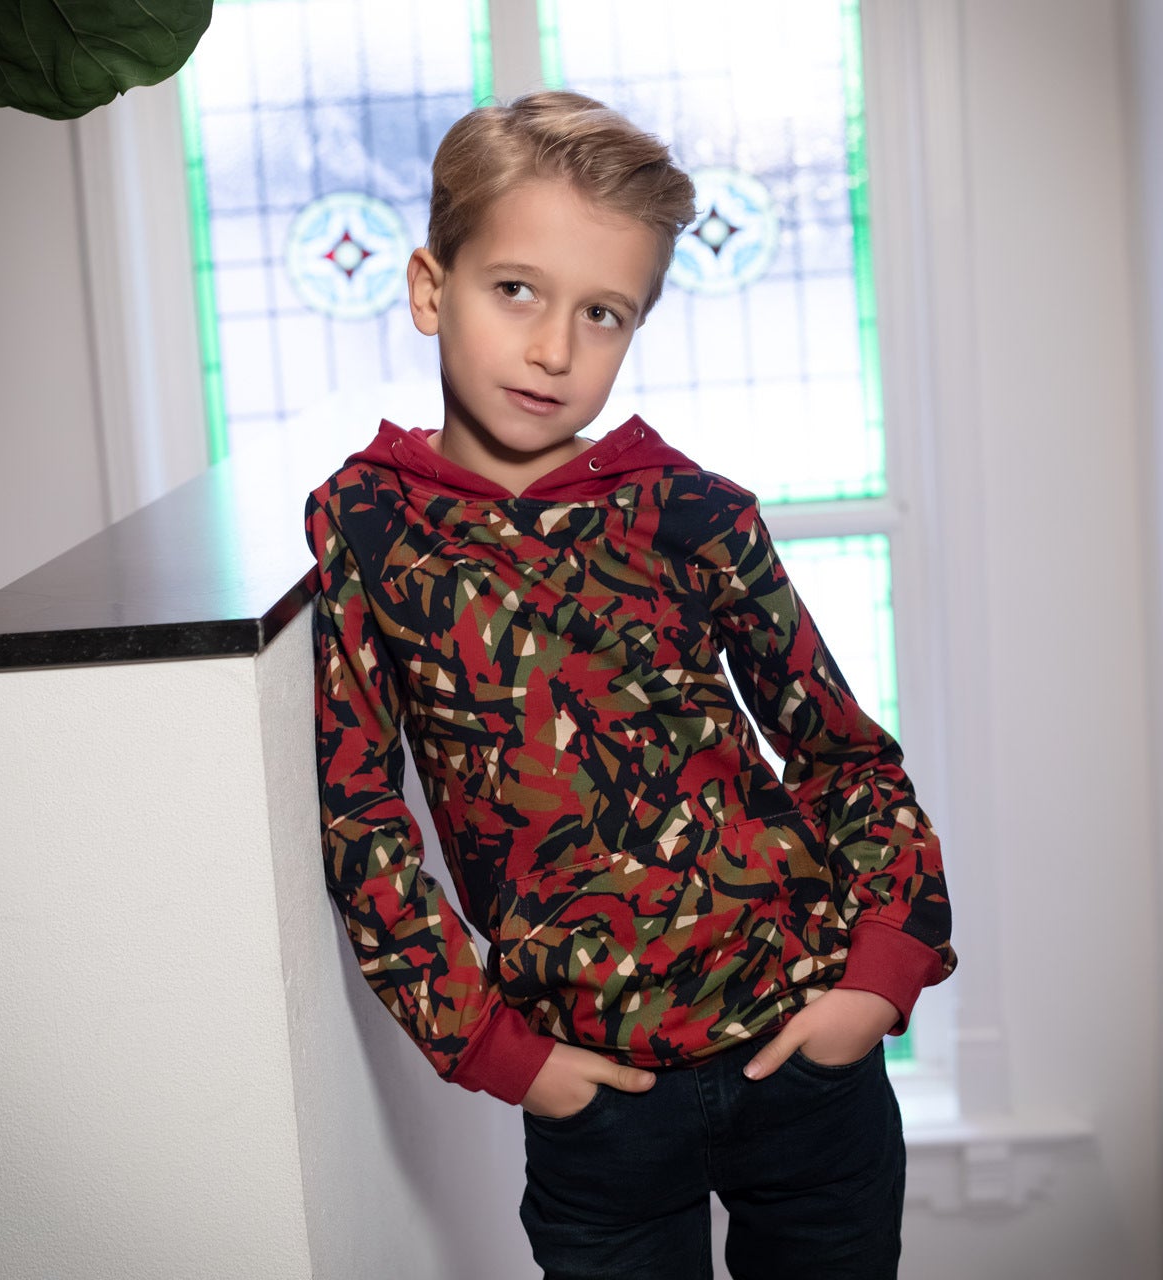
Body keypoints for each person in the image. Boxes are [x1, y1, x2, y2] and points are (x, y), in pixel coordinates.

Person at [302, 89, 958, 1280]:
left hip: (804, 1056)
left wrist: (877, 976)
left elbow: (841, 750)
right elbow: (362, 813)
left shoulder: (691, 510)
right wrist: (498, 1050)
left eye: (601, 313)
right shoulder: (368, 524)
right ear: (430, 287)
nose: (554, 349)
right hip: (595, 1101)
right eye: (517, 290)